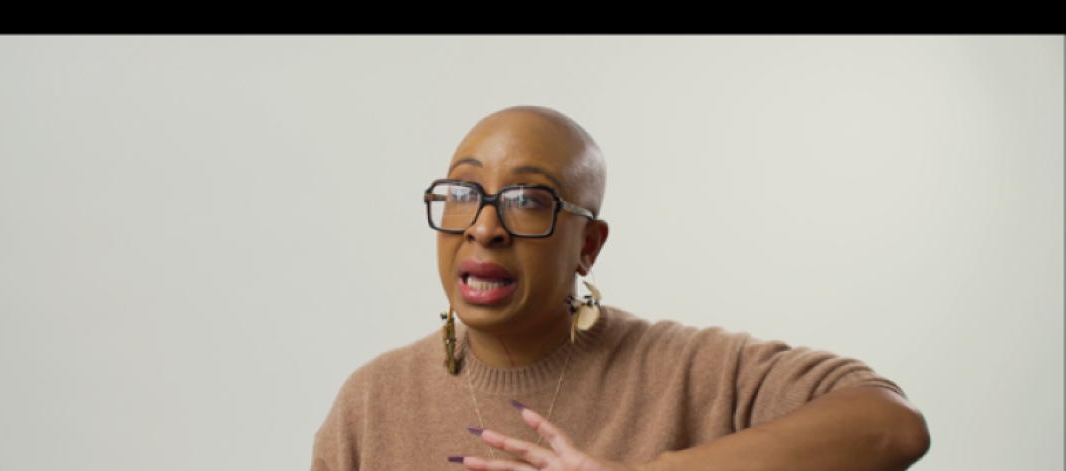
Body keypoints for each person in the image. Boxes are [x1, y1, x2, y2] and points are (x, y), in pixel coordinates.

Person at [310, 106, 930, 471]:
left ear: (589, 246)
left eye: (529, 200)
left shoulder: (684, 372)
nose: (484, 227)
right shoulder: (371, 404)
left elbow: (892, 426)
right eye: (464, 193)